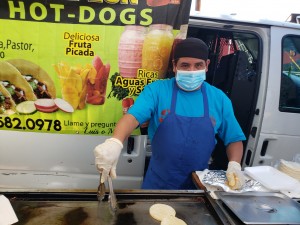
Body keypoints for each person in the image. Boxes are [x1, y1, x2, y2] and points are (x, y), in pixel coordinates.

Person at [94, 38, 246, 190]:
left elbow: (234, 139)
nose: (192, 71)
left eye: (198, 65)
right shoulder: (157, 90)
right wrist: (115, 142)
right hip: (157, 183)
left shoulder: (219, 99)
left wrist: (234, 164)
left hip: (198, 186)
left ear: (206, 66)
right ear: (174, 66)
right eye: (185, 66)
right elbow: (132, 118)